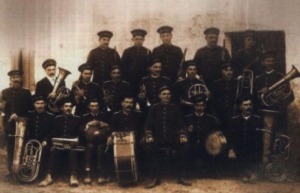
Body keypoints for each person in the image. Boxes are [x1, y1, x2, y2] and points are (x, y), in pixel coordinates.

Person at [143, 86, 191, 188]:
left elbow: (182, 125)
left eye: (168, 94)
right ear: (159, 96)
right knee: (149, 148)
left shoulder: (175, 108)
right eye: (164, 94)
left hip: (172, 138)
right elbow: (148, 126)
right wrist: (149, 136)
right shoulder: (154, 108)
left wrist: (182, 136)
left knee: (185, 147)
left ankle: (181, 176)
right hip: (157, 138)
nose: (166, 96)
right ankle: (154, 177)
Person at [39, 98, 80, 187]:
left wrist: (75, 141)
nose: (68, 108)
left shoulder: (77, 119)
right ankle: (49, 176)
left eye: (70, 106)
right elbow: (52, 132)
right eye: (66, 106)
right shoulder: (57, 119)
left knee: (72, 151)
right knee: (53, 150)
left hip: (72, 145)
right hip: (59, 144)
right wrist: (46, 140)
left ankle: (73, 176)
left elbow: (79, 134)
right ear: (62, 108)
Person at [0, 70, 32, 179]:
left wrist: (18, 116)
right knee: (10, 146)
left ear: (21, 79)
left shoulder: (26, 92)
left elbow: (30, 109)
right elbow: (2, 109)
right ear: (10, 79)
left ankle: (21, 169)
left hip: (22, 124)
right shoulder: (4, 92)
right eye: (13, 78)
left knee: (21, 146)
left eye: (18, 77)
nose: (16, 80)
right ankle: (10, 170)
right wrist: (1, 109)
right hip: (9, 124)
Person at [184, 94, 221, 178]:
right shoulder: (187, 118)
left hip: (206, 146)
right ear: (194, 106)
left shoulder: (212, 119)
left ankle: (211, 172)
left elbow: (215, 134)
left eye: (202, 105)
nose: (199, 107)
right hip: (192, 145)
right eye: (197, 105)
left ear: (205, 106)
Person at [228, 95, 263, 183]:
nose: (248, 107)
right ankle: (244, 174)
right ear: (240, 107)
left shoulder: (258, 120)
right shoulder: (234, 120)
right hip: (238, 151)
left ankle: (250, 173)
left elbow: (260, 140)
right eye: (245, 105)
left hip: (253, 151)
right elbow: (230, 137)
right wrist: (231, 149)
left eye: (249, 105)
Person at [80, 99, 111, 185]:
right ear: (89, 107)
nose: (94, 108)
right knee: (89, 147)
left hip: (102, 141)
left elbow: (110, 128)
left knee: (101, 148)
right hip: (89, 141)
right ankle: (87, 174)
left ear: (99, 106)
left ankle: (101, 174)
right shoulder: (84, 117)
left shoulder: (104, 116)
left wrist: (105, 125)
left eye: (96, 106)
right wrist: (87, 124)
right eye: (92, 106)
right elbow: (81, 130)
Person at [26, 94, 54, 178]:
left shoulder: (50, 116)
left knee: (46, 151)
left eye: (42, 103)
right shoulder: (29, 115)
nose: (40, 106)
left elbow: (52, 131)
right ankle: (28, 170)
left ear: (45, 104)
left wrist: (46, 140)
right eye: (37, 103)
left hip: (44, 141)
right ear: (34, 104)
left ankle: (43, 173)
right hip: (31, 140)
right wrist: (28, 140)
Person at [121, 29, 152, 95]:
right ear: (133, 39)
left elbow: (150, 67)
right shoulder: (127, 51)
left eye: (141, 39)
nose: (138, 41)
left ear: (143, 40)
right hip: (129, 80)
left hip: (143, 80)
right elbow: (123, 67)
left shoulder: (147, 52)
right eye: (136, 39)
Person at [211, 62, 238, 134]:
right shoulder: (216, 84)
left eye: (231, 70)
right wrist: (215, 116)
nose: (229, 72)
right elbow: (212, 102)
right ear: (221, 71)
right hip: (219, 115)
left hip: (234, 114)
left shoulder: (237, 83)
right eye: (226, 70)